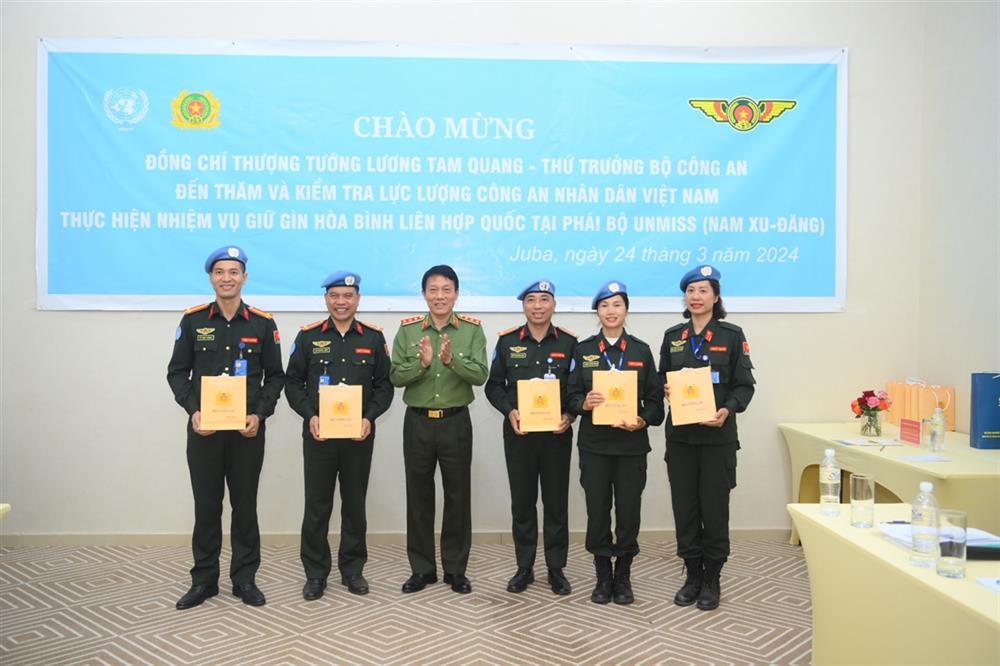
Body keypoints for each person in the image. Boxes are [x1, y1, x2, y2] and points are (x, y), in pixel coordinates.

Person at [167, 246, 285, 609]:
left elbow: (276, 377)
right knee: (207, 506)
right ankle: (204, 580)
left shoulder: (263, 323)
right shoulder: (193, 321)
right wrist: (193, 411)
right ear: (211, 277)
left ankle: (244, 579)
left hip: (246, 431)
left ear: (244, 277)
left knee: (245, 506)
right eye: (220, 272)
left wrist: (260, 414)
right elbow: (176, 373)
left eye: (234, 271)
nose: (227, 278)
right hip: (205, 431)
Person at [284, 271, 393, 600]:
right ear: (326, 299)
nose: (341, 302)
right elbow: (292, 383)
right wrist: (310, 415)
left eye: (348, 296)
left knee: (355, 504)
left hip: (358, 437)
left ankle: (352, 569)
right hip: (319, 436)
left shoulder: (373, 338)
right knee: (317, 504)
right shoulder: (308, 337)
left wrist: (369, 418)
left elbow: (384, 386)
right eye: (335, 295)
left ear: (358, 299)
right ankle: (316, 573)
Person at [659, 265, 755, 611]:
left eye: (703, 290)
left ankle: (712, 577)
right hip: (682, 439)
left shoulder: (731, 335)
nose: (696, 297)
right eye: (690, 291)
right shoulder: (673, 337)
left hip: (717, 440)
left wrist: (727, 410)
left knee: (714, 509)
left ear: (716, 296)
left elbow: (745, 386)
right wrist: (666, 388)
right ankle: (692, 574)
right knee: (684, 508)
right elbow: (659, 382)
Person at [390, 265, 488, 594]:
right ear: (424, 294)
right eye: (433, 290)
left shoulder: (472, 330)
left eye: (446, 289)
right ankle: (422, 569)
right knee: (418, 497)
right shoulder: (408, 330)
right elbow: (394, 377)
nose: (440, 296)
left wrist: (450, 362)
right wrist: (421, 363)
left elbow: (480, 375)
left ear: (457, 293)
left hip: (455, 422)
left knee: (458, 496)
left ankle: (456, 569)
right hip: (417, 422)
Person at [567, 281, 664, 605]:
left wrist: (643, 419)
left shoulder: (640, 350)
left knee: (628, 512)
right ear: (597, 311)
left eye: (617, 305)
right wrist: (584, 403)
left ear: (626, 310)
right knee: (597, 512)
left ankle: (623, 575)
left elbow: (655, 402)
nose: (611, 311)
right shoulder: (582, 351)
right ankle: (602, 576)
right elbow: (568, 396)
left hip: (630, 447)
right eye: (605, 306)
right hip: (594, 446)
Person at [485, 279, 576, 595]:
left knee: (555, 503)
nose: (538, 306)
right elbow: (493, 386)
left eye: (544, 300)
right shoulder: (508, 342)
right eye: (531, 300)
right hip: (519, 434)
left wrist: (571, 415)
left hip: (556, 435)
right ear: (523, 305)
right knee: (522, 502)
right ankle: (524, 567)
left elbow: (576, 389)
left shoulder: (569, 343)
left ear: (554, 304)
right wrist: (510, 411)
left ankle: (556, 568)